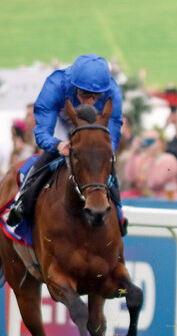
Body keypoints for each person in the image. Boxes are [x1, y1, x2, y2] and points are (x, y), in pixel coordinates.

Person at [7, 54, 124, 232]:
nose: (90, 101)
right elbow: (42, 131)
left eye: (96, 96)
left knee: (105, 165)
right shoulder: (55, 85)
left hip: (93, 125)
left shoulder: (113, 92)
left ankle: (119, 213)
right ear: (74, 86)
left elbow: (113, 134)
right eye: (85, 94)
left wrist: (104, 154)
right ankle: (23, 201)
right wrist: (57, 145)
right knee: (48, 158)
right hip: (62, 122)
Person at [124, 130, 177, 198]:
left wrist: (153, 156)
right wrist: (133, 152)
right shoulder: (142, 158)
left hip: (166, 202)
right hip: (146, 201)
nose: (148, 144)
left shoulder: (169, 160)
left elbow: (155, 182)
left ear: (160, 142)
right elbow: (130, 177)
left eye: (151, 140)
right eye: (145, 140)